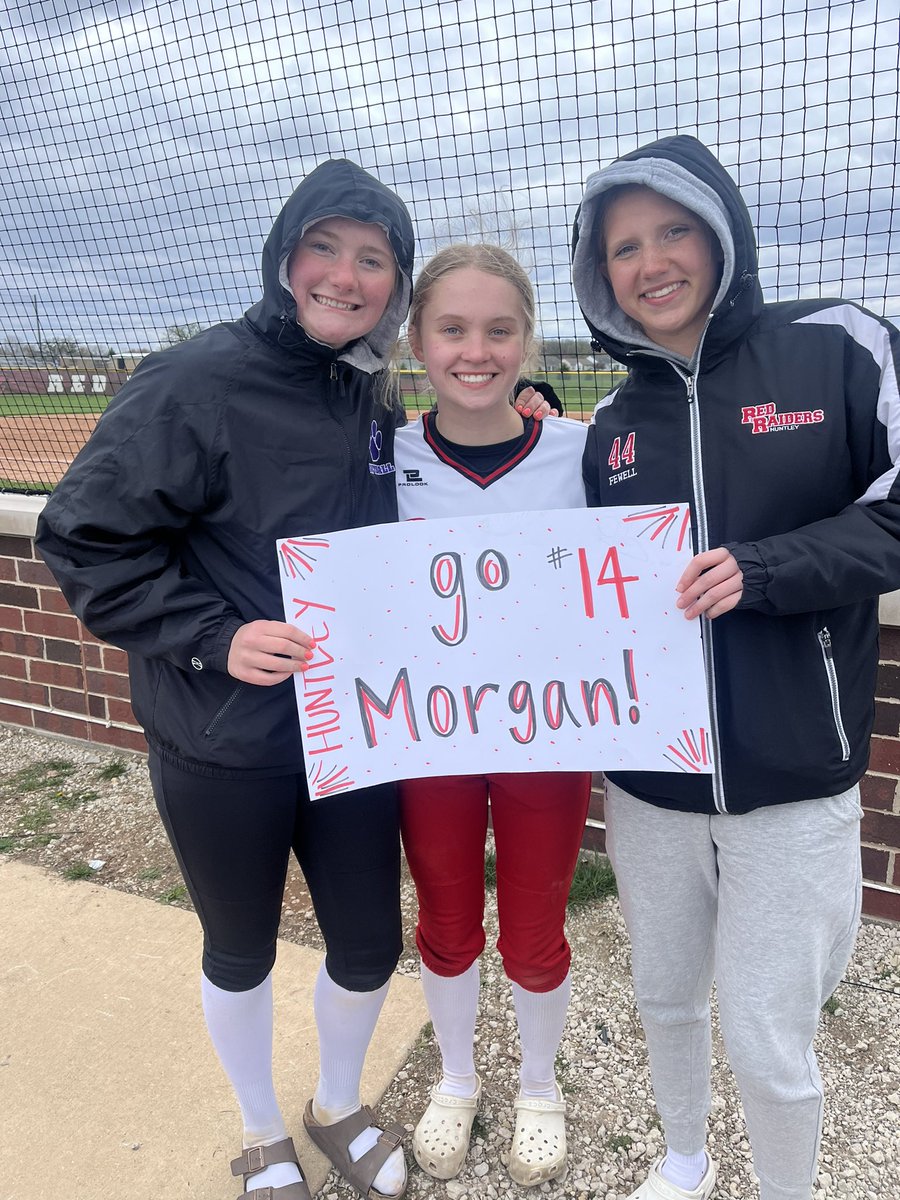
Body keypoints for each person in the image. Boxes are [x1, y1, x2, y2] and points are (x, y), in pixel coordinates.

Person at [36, 159, 418, 1200]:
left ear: (397, 282)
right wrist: (213, 636)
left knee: (371, 946)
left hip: (354, 734)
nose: (344, 275)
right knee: (241, 948)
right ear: (284, 256)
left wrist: (520, 420)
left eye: (373, 259)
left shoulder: (368, 394)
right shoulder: (193, 381)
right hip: (223, 741)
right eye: (324, 248)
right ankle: (261, 1132)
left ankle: (337, 1102)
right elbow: (81, 538)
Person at [571, 134, 900, 1200]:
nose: (652, 261)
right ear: (600, 270)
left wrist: (767, 569)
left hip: (794, 779)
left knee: (768, 1035)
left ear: (720, 233)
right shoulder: (613, 424)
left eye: (672, 230)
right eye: (624, 246)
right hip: (650, 782)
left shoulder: (838, 348)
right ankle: (682, 1160)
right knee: (665, 996)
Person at [393, 244, 592, 1187]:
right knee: (442, 908)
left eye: (500, 329)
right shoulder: (384, 459)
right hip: (426, 733)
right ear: (417, 341)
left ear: (527, 340)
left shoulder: (579, 451)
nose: (477, 350)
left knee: (538, 914)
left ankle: (541, 1084)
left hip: (546, 733)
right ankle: (461, 1077)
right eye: (453, 329)